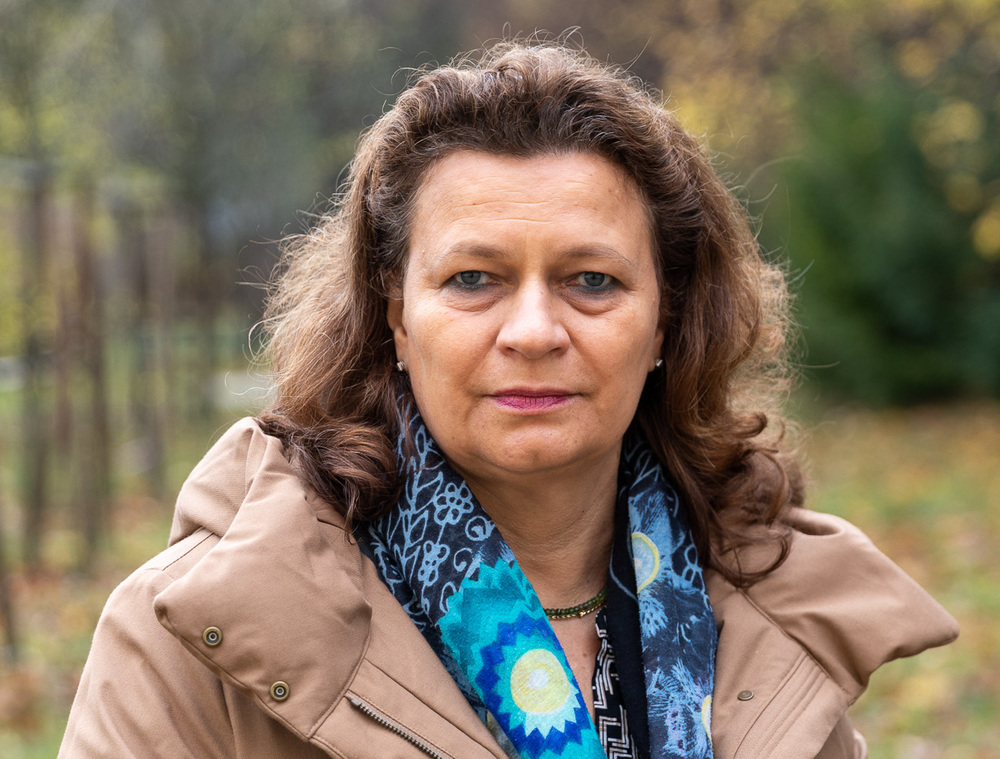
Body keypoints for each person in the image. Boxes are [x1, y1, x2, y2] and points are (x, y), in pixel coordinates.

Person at [60, 40, 957, 759]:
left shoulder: (768, 612)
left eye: (592, 279)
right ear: (396, 316)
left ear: (666, 321)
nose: (532, 330)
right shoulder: (197, 629)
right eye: (474, 278)